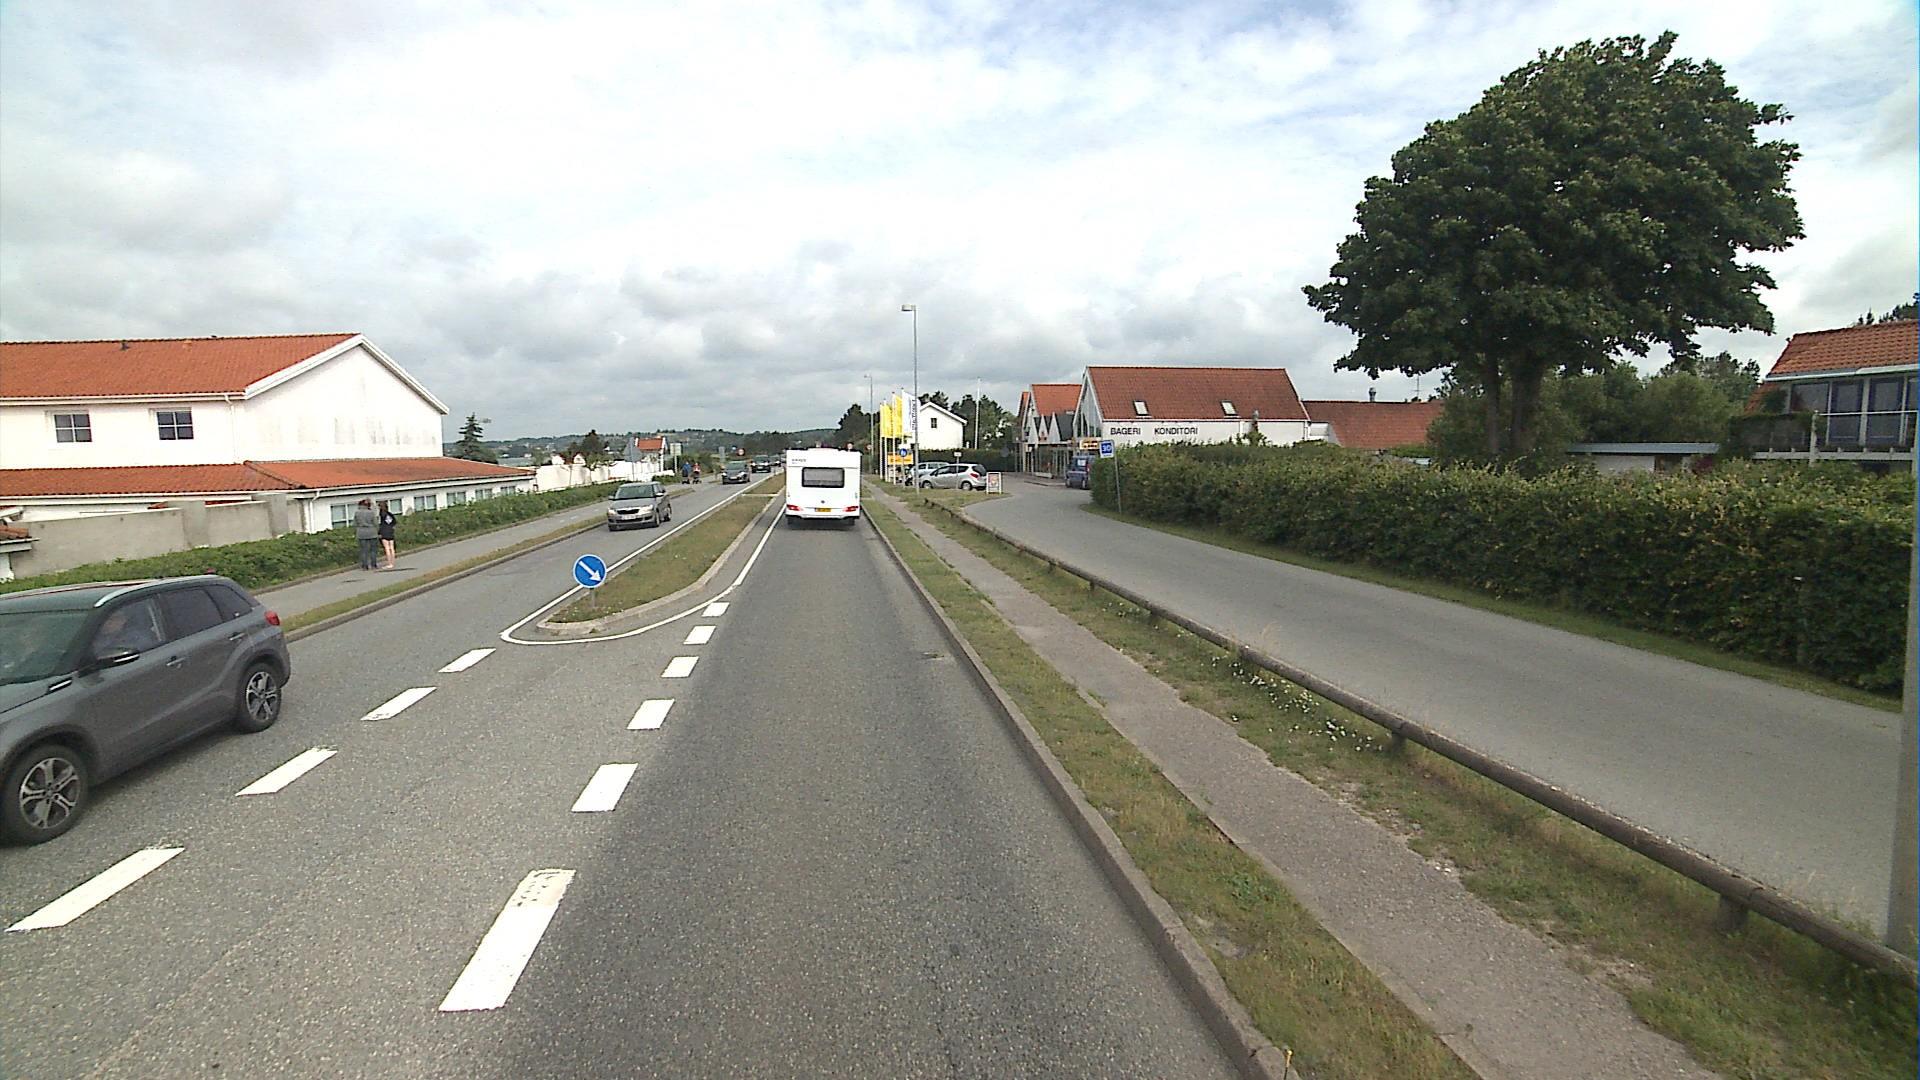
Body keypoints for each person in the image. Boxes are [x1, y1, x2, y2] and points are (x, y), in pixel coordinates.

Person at [352, 499, 379, 570]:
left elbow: (354, 524)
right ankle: (373, 565)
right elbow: (376, 523)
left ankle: (365, 566)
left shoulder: (357, 513)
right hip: (372, 532)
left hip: (361, 533)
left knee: (363, 550)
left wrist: (355, 532)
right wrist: (377, 531)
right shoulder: (371, 513)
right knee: (373, 550)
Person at [378, 500, 399, 570]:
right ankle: (392, 562)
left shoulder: (381, 514)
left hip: (384, 532)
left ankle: (389, 563)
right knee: (392, 548)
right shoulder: (390, 514)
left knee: (387, 548)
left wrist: (379, 532)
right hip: (390, 531)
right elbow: (394, 522)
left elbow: (381, 524)